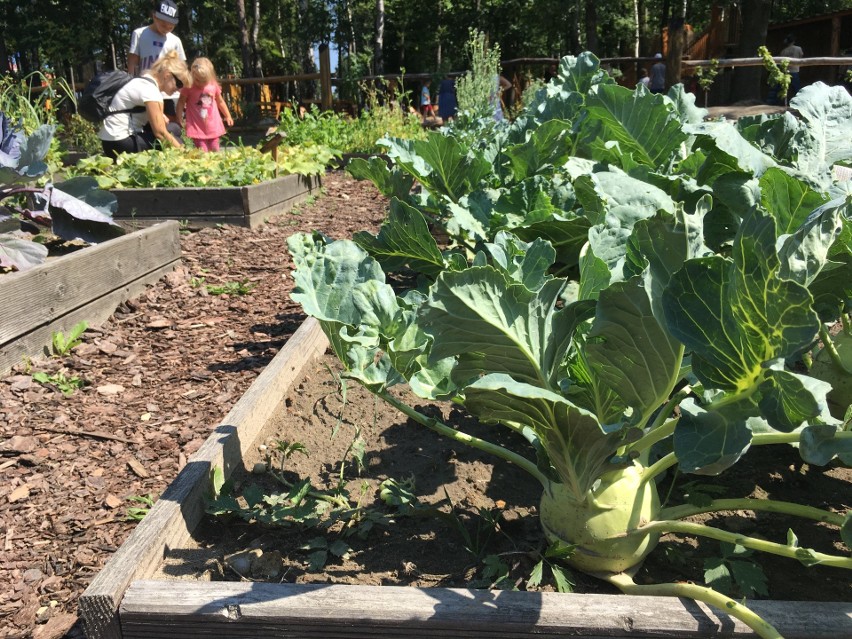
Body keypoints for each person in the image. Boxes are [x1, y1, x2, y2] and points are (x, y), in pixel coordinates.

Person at [98, 51, 191, 158]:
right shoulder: (151, 91)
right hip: (121, 143)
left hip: (110, 141)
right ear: (167, 75)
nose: (179, 90)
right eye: (179, 84)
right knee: (174, 139)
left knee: (174, 129)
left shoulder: (143, 80)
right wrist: (185, 154)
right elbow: (160, 133)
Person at [128, 1, 186, 120]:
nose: (167, 29)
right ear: (154, 16)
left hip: (169, 94)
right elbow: (133, 62)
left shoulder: (175, 40)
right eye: (164, 25)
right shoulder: (139, 34)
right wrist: (131, 84)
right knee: (149, 127)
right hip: (145, 92)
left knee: (172, 127)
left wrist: (183, 92)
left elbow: (182, 68)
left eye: (171, 27)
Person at [177, 57, 234, 152]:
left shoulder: (213, 85)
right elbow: (181, 102)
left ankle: (215, 165)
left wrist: (228, 116)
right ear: (192, 75)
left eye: (204, 81)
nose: (200, 83)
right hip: (196, 126)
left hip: (212, 124)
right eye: (197, 80)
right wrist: (179, 118)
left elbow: (220, 101)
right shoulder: (189, 87)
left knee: (215, 149)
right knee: (202, 151)